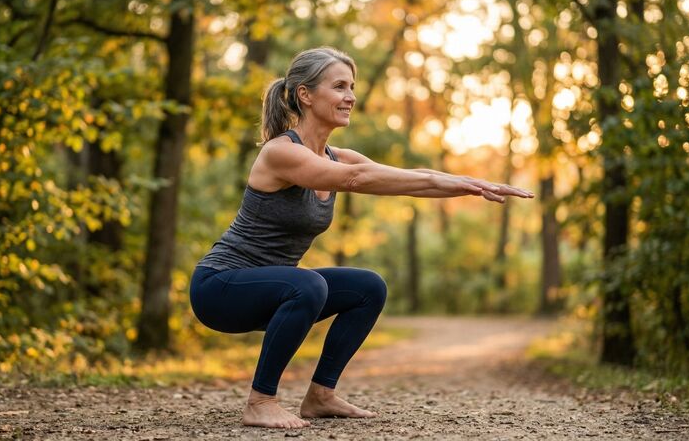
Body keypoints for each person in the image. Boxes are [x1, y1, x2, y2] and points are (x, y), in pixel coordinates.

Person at [189, 47, 534, 429]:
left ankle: (321, 396)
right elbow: (357, 180)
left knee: (368, 286)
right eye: (339, 86)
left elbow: (406, 181)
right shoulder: (281, 153)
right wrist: (453, 182)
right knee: (309, 284)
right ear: (305, 94)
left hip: (274, 290)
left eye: (352, 86)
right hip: (220, 288)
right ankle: (260, 402)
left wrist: (469, 185)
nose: (350, 96)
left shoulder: (338, 156)